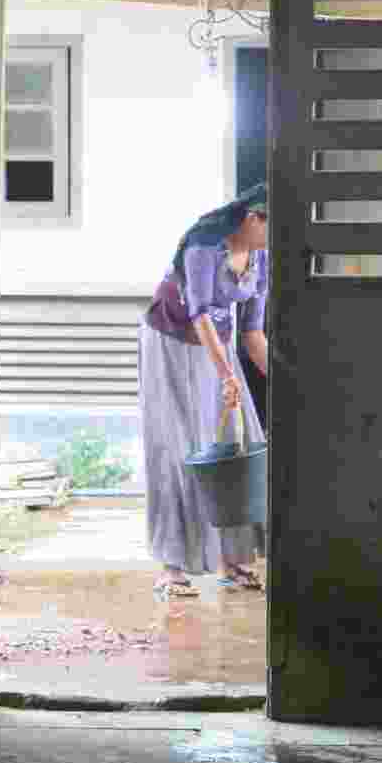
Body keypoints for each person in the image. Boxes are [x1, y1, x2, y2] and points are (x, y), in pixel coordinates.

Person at [139, 184, 270, 599]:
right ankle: (171, 569)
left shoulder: (261, 257)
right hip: (172, 344)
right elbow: (198, 315)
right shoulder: (203, 246)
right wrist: (227, 375)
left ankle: (233, 562)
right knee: (178, 448)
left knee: (238, 443)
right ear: (253, 218)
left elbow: (252, 332)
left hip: (219, 345)